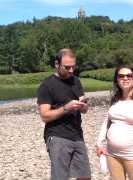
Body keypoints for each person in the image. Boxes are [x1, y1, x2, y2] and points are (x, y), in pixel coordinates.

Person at [37, 48, 91, 180]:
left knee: (84, 176)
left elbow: (83, 109)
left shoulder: (75, 81)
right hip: (57, 136)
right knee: (60, 177)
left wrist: (83, 107)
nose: (71, 70)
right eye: (67, 67)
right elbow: (44, 116)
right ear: (57, 64)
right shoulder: (47, 85)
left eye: (73, 67)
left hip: (77, 135)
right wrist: (66, 108)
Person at [96, 66, 133, 180]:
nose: (125, 78)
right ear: (117, 80)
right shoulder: (115, 99)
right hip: (112, 154)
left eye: (129, 75)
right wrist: (99, 143)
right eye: (121, 76)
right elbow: (106, 122)